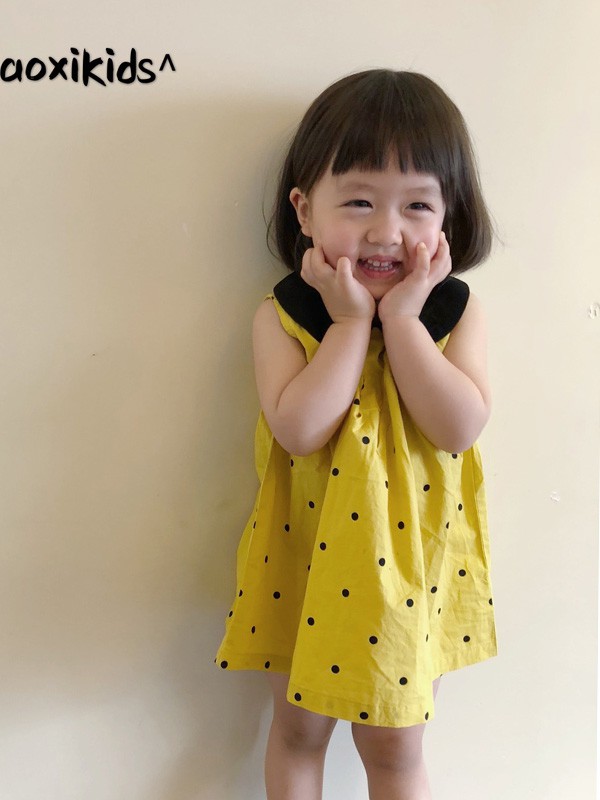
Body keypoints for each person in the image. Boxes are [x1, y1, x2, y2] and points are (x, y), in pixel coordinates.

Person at [215, 69, 497, 800]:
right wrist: (348, 324)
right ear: (304, 211)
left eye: (417, 206)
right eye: (360, 202)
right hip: (304, 560)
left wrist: (401, 320)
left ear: (448, 217)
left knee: (396, 747)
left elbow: (458, 425)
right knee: (297, 731)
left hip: (408, 571)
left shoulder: (454, 311)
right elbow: (300, 429)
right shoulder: (283, 314)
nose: (386, 232)